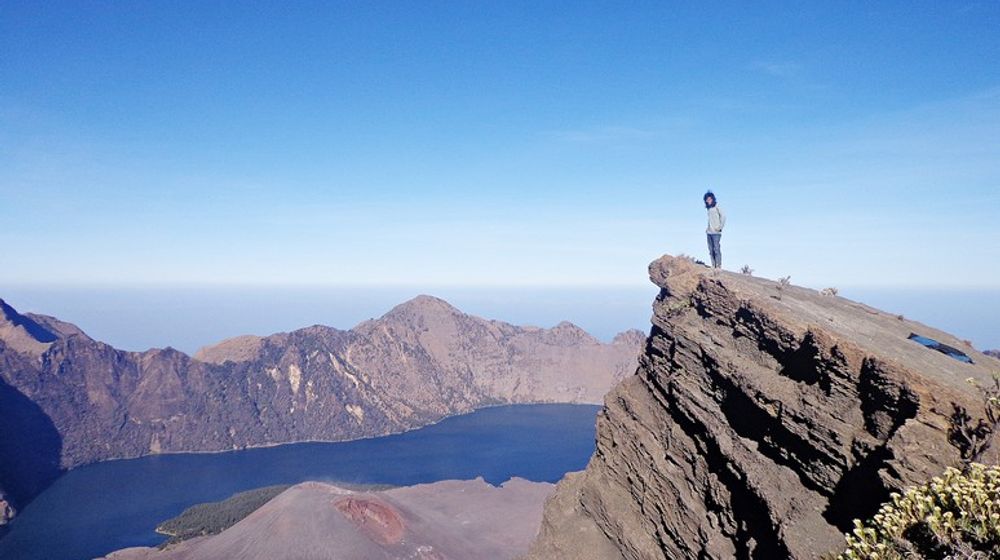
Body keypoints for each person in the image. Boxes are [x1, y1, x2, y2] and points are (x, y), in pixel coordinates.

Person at [704, 191, 725, 269]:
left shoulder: (717, 206)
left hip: (716, 233)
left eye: (710, 199)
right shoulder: (709, 209)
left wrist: (720, 227)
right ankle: (713, 265)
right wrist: (707, 228)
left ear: (713, 199)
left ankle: (718, 265)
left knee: (716, 249)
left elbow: (723, 216)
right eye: (707, 199)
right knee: (710, 250)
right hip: (709, 232)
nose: (708, 201)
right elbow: (710, 220)